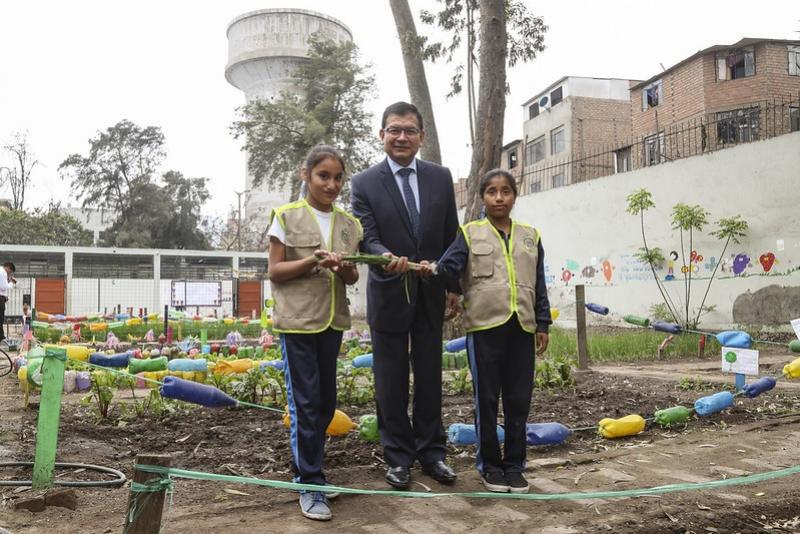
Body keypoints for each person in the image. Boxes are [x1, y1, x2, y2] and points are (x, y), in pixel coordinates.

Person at [350, 102, 460, 490]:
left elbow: (452, 236)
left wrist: (453, 286)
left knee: (430, 376)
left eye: (409, 131)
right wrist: (384, 258)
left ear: (421, 137)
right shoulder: (364, 183)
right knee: (391, 379)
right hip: (388, 292)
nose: (401, 137)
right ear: (381, 135)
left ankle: (432, 453)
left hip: (431, 293)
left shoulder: (441, 178)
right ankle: (397, 457)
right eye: (394, 130)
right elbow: (367, 236)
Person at [426, 169, 552, 494]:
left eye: (506, 191)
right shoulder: (470, 233)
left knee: (518, 400)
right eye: (492, 192)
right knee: (487, 400)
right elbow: (448, 266)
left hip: (522, 327)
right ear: (482, 197)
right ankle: (490, 467)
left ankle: (514, 466)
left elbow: (538, 284)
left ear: (515, 195)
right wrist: (446, 282)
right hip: (485, 328)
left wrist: (543, 323)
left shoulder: (531, 236)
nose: (499, 198)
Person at [267, 145, 362, 521]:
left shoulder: (350, 225)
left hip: (331, 322)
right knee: (304, 404)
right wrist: (312, 260)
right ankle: (310, 482)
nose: (332, 184)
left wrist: (342, 269)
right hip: (297, 323)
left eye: (338, 177)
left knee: (323, 406)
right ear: (305, 174)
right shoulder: (286, 217)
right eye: (324, 175)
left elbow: (353, 275)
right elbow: (275, 270)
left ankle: (307, 471)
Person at [0, 262, 16, 344]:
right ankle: (1, 337)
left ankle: (1, 336)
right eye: (10, 272)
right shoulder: (3, 272)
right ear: (8, 268)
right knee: (0, 318)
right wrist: (11, 283)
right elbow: (4, 287)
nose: (9, 273)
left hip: (1, 297)